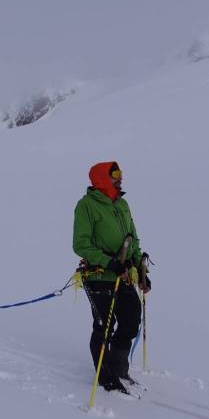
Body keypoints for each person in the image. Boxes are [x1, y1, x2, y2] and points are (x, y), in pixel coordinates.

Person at [72, 161, 151, 393]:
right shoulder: (86, 206)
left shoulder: (123, 204)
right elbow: (81, 244)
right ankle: (105, 376)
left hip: (123, 274)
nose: (120, 178)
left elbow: (132, 239)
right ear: (101, 179)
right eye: (115, 174)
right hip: (99, 276)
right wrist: (109, 262)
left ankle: (118, 368)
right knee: (104, 326)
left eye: (120, 173)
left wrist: (140, 269)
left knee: (131, 319)